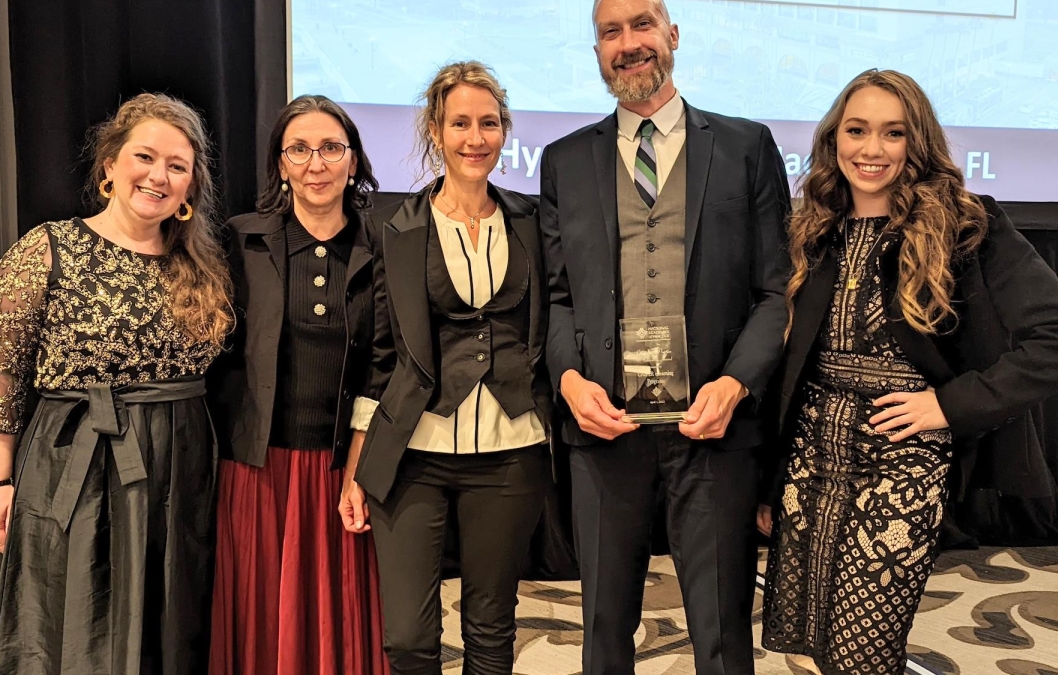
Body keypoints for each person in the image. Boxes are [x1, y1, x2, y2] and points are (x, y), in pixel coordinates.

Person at [758, 69, 1058, 675]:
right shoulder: (812, 227)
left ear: (917, 142)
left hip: (901, 470)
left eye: (893, 133)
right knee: (814, 642)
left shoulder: (968, 226)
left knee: (864, 651)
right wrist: (766, 478)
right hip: (809, 464)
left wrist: (949, 405)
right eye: (857, 130)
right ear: (833, 137)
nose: (871, 149)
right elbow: (788, 364)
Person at [538, 0, 792, 672]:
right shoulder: (564, 160)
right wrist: (568, 381)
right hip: (605, 432)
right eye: (610, 32)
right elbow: (558, 297)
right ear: (596, 50)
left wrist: (735, 385)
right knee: (603, 633)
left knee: (721, 635)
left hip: (713, 430)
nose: (629, 43)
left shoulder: (746, 146)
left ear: (672, 35)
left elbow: (775, 295)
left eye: (642, 24)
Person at [0, 93, 233, 674]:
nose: (158, 176)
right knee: (75, 619)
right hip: (75, 463)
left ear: (191, 185)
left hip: (179, 465)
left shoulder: (205, 262)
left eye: (177, 165)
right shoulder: (46, 250)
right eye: (145, 156)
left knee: (172, 617)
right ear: (110, 164)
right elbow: (1, 374)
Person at [341, 60, 553, 674]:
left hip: (513, 450)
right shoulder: (393, 226)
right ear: (436, 130)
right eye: (459, 122)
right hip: (413, 451)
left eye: (488, 123)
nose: (474, 137)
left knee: (491, 624)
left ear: (505, 131)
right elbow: (381, 357)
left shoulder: (533, 222)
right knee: (407, 635)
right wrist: (358, 463)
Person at [206, 95, 388, 675]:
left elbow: (388, 366)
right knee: (261, 619)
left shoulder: (385, 246)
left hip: (345, 467)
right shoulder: (240, 241)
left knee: (342, 622)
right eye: (300, 150)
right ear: (279, 164)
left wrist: (359, 468)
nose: (317, 163)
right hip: (258, 467)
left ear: (354, 161)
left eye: (332, 148)